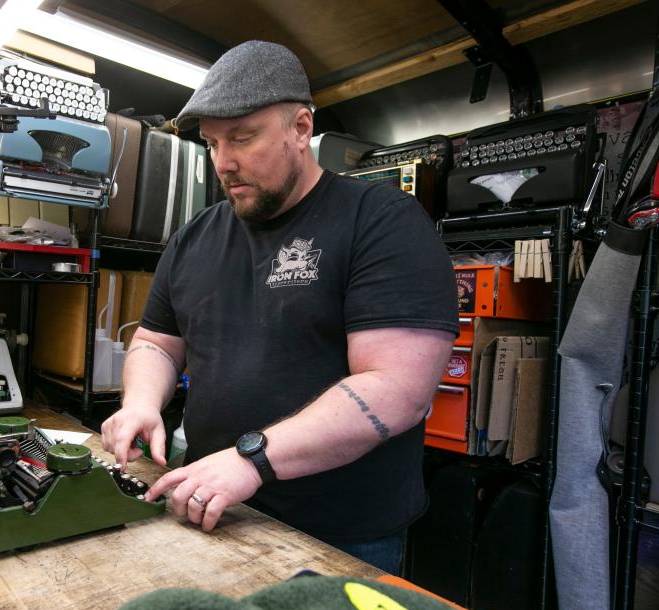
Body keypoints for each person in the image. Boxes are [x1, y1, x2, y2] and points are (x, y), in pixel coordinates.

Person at [100, 40, 458, 575]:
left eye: (243, 138)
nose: (224, 162)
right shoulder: (194, 237)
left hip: (340, 537)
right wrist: (141, 404)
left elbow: (396, 389)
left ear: (300, 129)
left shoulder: (382, 222)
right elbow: (157, 342)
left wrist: (252, 458)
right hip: (213, 507)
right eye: (212, 143)